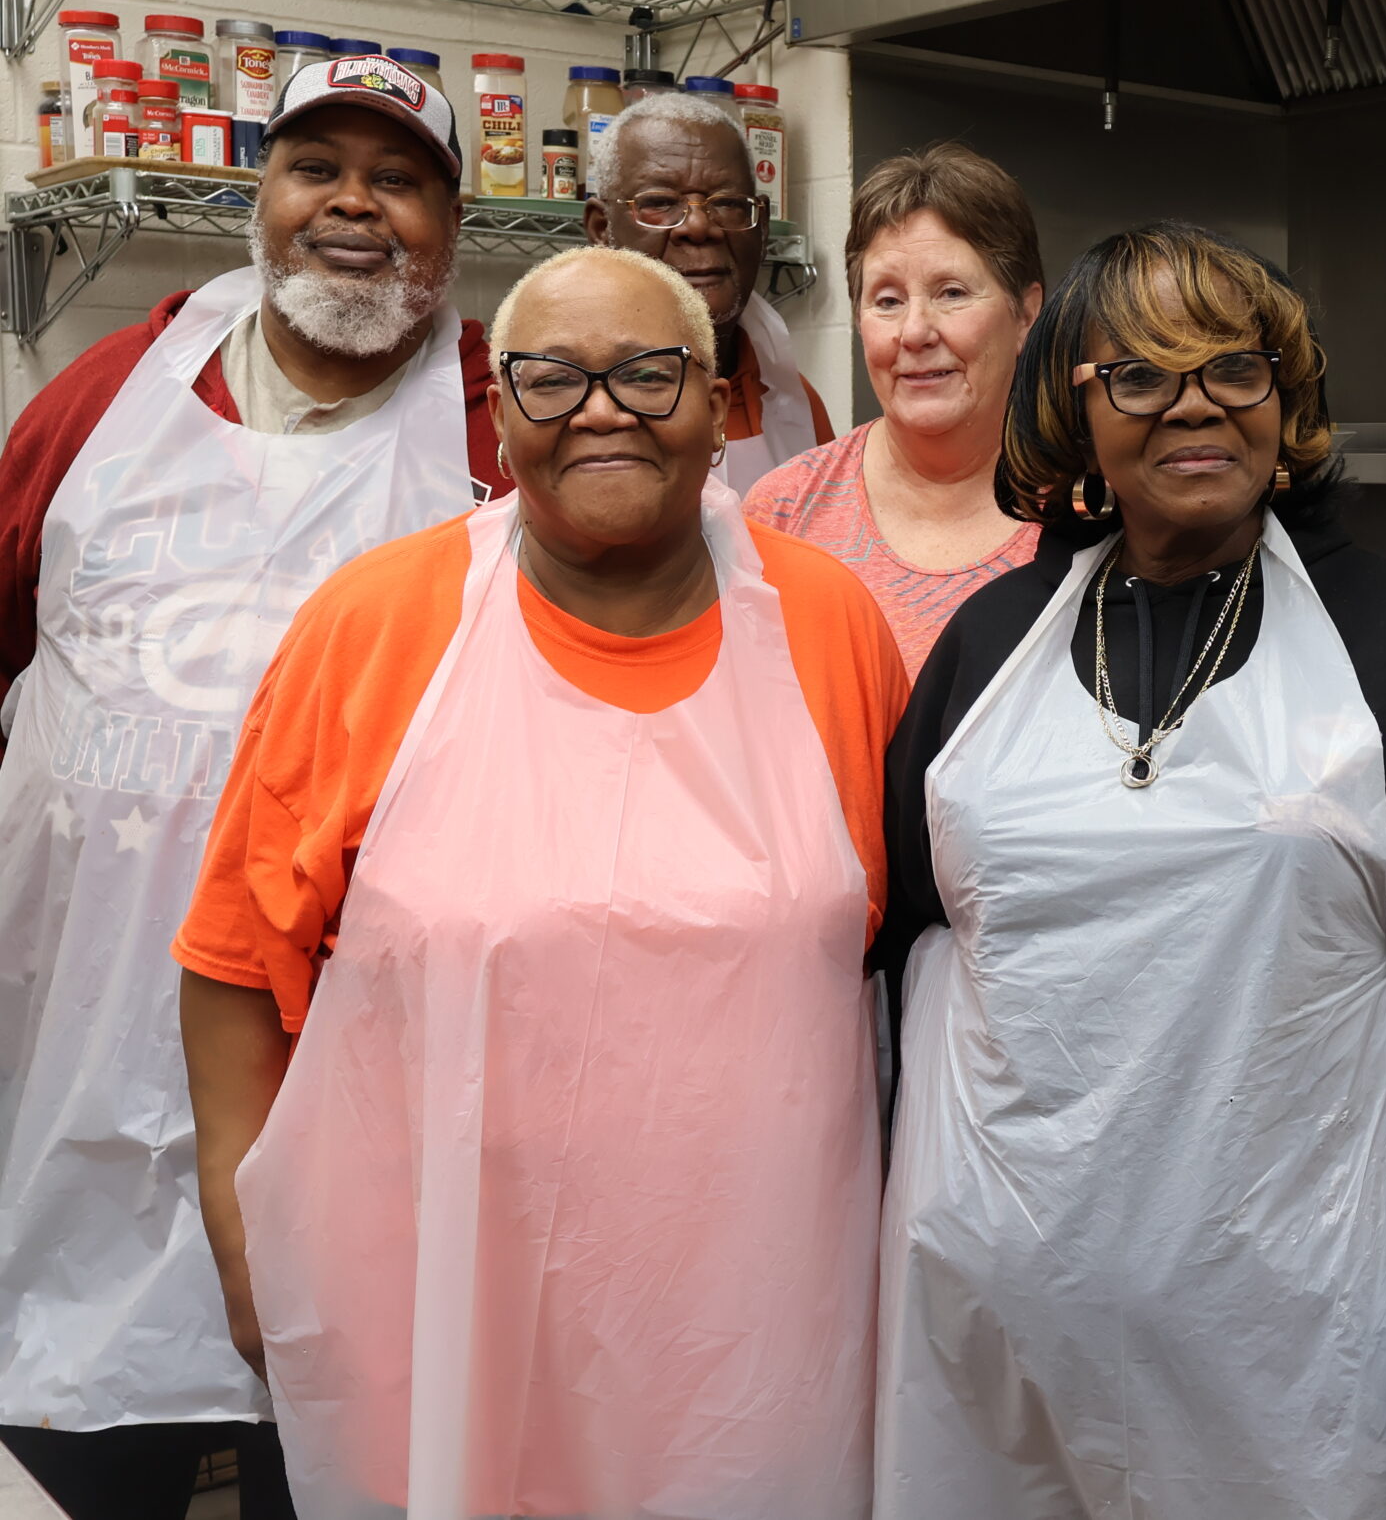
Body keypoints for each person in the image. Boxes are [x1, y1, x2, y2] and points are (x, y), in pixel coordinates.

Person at [174, 248, 906, 1519]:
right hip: (428, 1315)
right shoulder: (374, 624)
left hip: (751, 1333)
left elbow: (886, 971)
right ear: (500, 417)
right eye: (552, 378)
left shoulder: (832, 627)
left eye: (648, 372)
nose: (604, 407)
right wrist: (249, 1260)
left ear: (716, 404)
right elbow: (237, 963)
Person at [871, 222, 1386, 1517]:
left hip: (1309, 1341)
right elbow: (901, 944)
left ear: (1284, 397)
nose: (1195, 401)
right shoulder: (990, 644)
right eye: (1138, 373)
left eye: (1234, 367)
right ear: (1071, 411)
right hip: (1001, 1334)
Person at [0, 53, 505, 1520]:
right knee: (84, 1409)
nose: (352, 206)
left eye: (398, 179)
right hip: (72, 1013)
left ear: (451, 226)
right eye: (315, 169)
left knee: (341, 1421)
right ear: (260, 197)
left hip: (345, 1036)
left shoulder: (497, 424)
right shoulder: (111, 391)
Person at [746, 142, 1042, 676]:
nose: (915, 332)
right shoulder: (784, 512)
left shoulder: (1089, 506)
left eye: (951, 293)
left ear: (1024, 313)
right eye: (887, 300)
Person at [584, 89, 834, 488]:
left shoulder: (796, 402)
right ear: (602, 229)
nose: (699, 227)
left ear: (762, 225)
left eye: (729, 203)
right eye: (661, 201)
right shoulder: (560, 400)